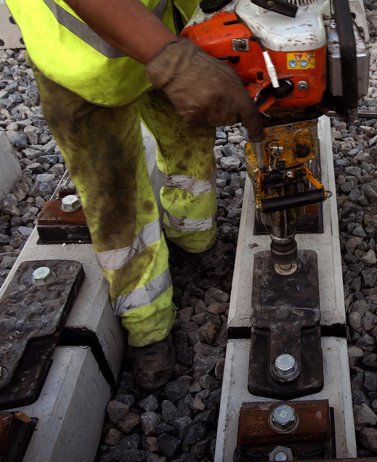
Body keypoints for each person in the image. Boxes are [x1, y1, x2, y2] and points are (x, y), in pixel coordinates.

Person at [7, 0, 263, 389]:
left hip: (173, 30)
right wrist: (174, 62)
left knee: (190, 148)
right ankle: (149, 328)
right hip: (85, 66)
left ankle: (195, 243)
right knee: (116, 203)